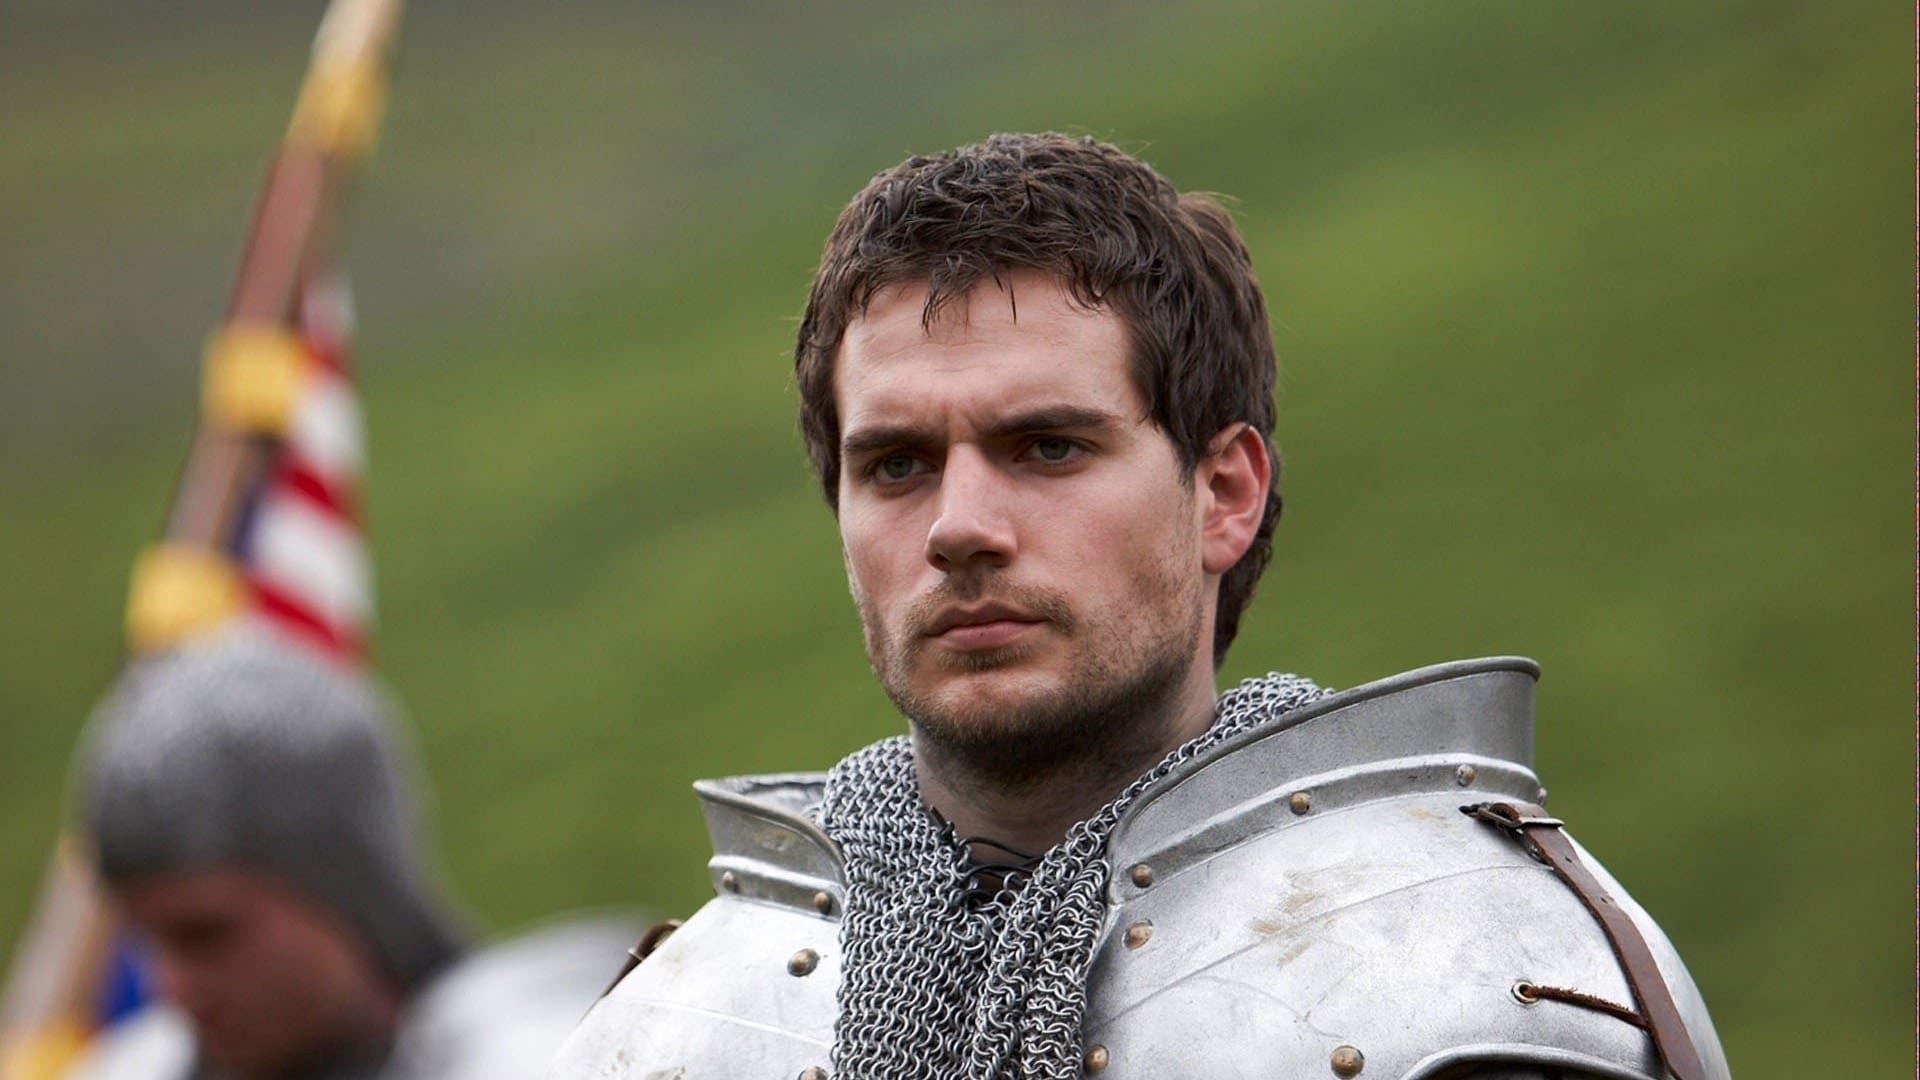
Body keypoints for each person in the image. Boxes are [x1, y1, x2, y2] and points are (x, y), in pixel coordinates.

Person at [546, 133, 1729, 1079]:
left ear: (1224, 494)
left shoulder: (1460, 975)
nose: (959, 526)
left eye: (1048, 446)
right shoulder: (676, 1031)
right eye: (896, 464)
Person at [69, 628, 637, 1080]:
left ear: (340, 885)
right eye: (148, 938)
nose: (171, 988)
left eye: (207, 933)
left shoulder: (561, 1049)